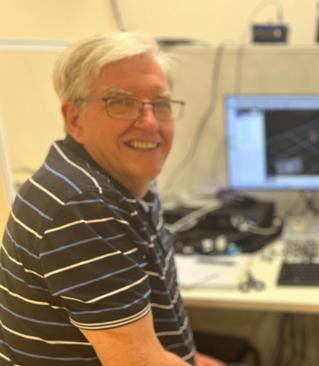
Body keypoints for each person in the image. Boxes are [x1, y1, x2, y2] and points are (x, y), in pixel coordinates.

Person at [0, 32, 223, 366]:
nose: (149, 122)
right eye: (120, 102)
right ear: (74, 118)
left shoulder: (123, 181)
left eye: (159, 104)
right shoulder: (81, 206)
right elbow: (139, 362)